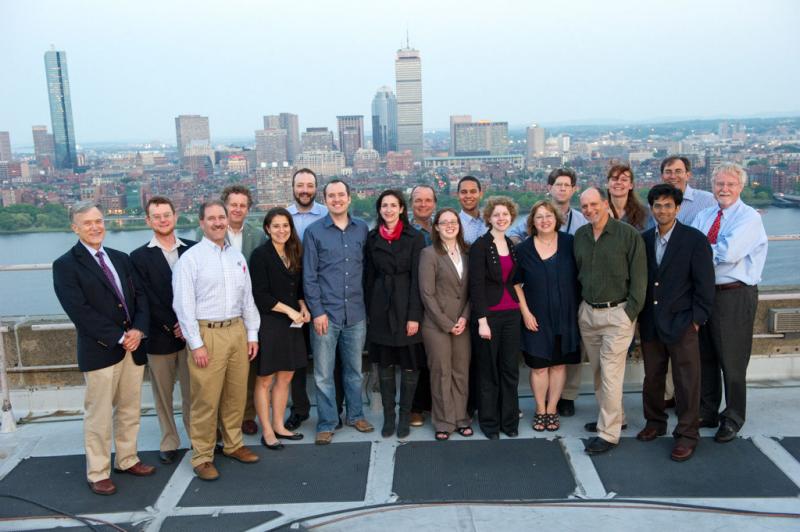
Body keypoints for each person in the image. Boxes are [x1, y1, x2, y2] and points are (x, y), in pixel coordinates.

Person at [53, 201, 154, 496]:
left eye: (98, 221)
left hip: (132, 347)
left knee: (130, 408)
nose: (95, 227)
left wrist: (137, 330)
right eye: (87, 223)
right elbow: (79, 311)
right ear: (75, 228)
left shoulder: (121, 258)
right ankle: (98, 471)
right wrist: (120, 337)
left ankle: (127, 458)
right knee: (98, 414)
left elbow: (141, 299)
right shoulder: (65, 265)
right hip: (100, 350)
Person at [173, 200, 261, 481]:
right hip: (207, 332)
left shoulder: (237, 257)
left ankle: (233, 444)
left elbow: (247, 299)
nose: (218, 222)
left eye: (221, 217)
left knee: (235, 396)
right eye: (211, 218)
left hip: (236, 329)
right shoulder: (190, 259)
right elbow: (184, 305)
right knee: (205, 399)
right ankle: (202, 456)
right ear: (201, 223)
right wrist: (196, 343)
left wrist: (251, 334)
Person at [638, 184, 715, 462]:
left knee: (686, 381)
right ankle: (655, 422)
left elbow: (705, 285)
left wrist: (696, 320)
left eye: (668, 205)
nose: (662, 210)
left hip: (683, 322)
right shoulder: (644, 239)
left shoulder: (694, 240)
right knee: (653, 377)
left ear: (678, 208)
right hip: (651, 323)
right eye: (657, 205)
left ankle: (687, 435)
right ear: (651, 208)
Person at [692, 163, 768, 443]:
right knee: (705, 356)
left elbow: (729, 252)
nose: (724, 189)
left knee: (733, 360)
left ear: (741, 187)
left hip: (734, 294)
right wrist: (701, 251)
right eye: (719, 184)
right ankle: (707, 411)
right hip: (705, 294)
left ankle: (733, 417)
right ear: (712, 186)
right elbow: (692, 247)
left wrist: (701, 251)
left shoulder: (749, 218)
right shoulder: (705, 215)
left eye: (730, 185)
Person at [574, 187, 646, 454]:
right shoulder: (580, 236)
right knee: (597, 372)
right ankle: (616, 418)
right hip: (588, 313)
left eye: (594, 204)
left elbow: (640, 281)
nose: (590, 210)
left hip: (617, 314)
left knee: (611, 374)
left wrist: (629, 314)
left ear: (605, 203)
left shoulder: (628, 235)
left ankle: (608, 433)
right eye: (584, 207)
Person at [303, 179, 375, 445]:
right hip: (326, 315)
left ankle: (355, 415)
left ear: (349, 198)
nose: (336, 199)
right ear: (325, 199)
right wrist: (317, 311)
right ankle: (327, 422)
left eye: (340, 195)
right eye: (331, 196)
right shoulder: (314, 232)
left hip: (356, 313)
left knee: (354, 371)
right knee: (323, 374)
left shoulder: (362, 230)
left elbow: (367, 271)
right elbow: (309, 276)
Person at [130, 196, 196, 465]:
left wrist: (187, 324)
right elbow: (143, 299)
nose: (163, 220)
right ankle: (169, 440)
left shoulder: (193, 249)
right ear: (148, 221)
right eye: (156, 216)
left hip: (192, 335)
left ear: (175, 216)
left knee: (194, 392)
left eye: (166, 214)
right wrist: (173, 325)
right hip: (159, 336)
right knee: (163, 394)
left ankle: (198, 438)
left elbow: (202, 291)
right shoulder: (138, 257)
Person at [284, 168, 343, 433]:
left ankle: (336, 409)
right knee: (297, 358)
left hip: (327, 297)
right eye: (300, 185)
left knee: (335, 358)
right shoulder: (283, 217)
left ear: (316, 188)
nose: (305, 190)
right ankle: (299, 410)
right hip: (293, 298)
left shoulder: (328, 213)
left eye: (309, 185)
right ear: (293, 188)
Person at [513, 201, 581, 432]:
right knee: (539, 367)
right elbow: (515, 284)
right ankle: (540, 410)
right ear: (532, 221)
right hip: (536, 316)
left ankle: (552, 409)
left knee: (559, 365)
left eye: (548, 216)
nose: (544, 220)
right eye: (539, 217)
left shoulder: (570, 243)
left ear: (556, 219)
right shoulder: (523, 249)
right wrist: (525, 312)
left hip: (566, 315)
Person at [365, 190, 426, 438]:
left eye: (393, 205)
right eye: (384, 206)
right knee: (386, 365)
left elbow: (418, 280)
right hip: (381, 307)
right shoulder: (372, 238)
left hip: (406, 304)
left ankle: (405, 415)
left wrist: (414, 316)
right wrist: (370, 310)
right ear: (379, 210)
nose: (388, 210)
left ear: (402, 209)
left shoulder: (415, 237)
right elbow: (368, 278)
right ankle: (389, 417)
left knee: (410, 365)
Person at [249, 208, 310, 449]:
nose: (281, 230)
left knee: (286, 376)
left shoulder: (294, 251)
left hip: (293, 323)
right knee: (265, 379)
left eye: (285, 225)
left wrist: (303, 307)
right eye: (276, 226)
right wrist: (290, 311)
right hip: (270, 324)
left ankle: (279, 425)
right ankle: (266, 430)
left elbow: (298, 289)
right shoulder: (260, 255)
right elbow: (260, 295)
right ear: (267, 228)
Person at [469, 196, 521, 440]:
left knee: (510, 370)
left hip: (512, 314)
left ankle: (509, 421)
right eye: (497, 214)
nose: (502, 218)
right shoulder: (480, 246)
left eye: (506, 214)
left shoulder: (511, 244)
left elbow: (514, 280)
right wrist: (481, 320)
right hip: (489, 316)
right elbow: (476, 286)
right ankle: (489, 423)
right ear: (489, 218)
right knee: (488, 371)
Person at [419, 208, 473, 441]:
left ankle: (461, 418)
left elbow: (472, 292)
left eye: (454, 222)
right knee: (441, 373)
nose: (450, 225)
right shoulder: (429, 254)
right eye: (444, 222)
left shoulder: (468, 252)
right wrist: (447, 323)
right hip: (436, 326)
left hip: (463, 323)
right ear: (437, 227)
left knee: (461, 373)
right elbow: (426, 294)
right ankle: (443, 421)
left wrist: (464, 318)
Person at [218, 185, 267, 435]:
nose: (237, 209)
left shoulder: (257, 236)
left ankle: (248, 415)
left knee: (249, 367)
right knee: (220, 371)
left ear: (248, 209)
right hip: (218, 312)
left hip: (249, 312)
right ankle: (221, 419)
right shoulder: (207, 233)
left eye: (242, 205)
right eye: (233, 204)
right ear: (225, 206)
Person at [408, 184, 437, 427]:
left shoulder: (443, 227)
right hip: (416, 302)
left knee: (439, 358)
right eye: (418, 200)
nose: (423, 204)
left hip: (440, 303)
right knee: (415, 358)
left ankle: (437, 404)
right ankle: (415, 407)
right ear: (411, 203)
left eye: (428, 200)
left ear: (434, 204)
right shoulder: (405, 231)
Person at [508, 167, 587, 243]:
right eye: (558, 185)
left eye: (566, 185)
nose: (563, 189)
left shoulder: (583, 221)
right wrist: (525, 246)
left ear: (573, 190)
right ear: (549, 188)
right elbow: (513, 235)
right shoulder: (535, 218)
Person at [661, 156, 717, 225]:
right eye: (668, 172)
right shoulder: (653, 204)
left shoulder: (709, 200)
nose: (673, 176)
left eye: (678, 171)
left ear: (688, 175)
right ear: (662, 176)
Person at [607, 164, 655, 231]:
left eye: (624, 180)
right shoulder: (600, 212)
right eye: (614, 179)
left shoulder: (645, 214)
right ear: (608, 184)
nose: (618, 182)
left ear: (631, 185)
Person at [457, 176, 488, 245]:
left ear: (480, 194)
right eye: (464, 192)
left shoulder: (490, 221)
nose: (468, 196)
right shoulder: (454, 225)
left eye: (473, 192)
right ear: (457, 195)